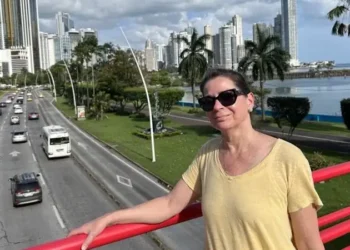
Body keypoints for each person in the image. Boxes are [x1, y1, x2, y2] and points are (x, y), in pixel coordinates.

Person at [68, 68, 324, 250]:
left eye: (227, 97)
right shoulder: (208, 154)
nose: (218, 107)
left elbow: (309, 243)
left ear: (249, 100)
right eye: (208, 101)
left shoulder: (287, 159)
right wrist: (109, 219)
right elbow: (170, 204)